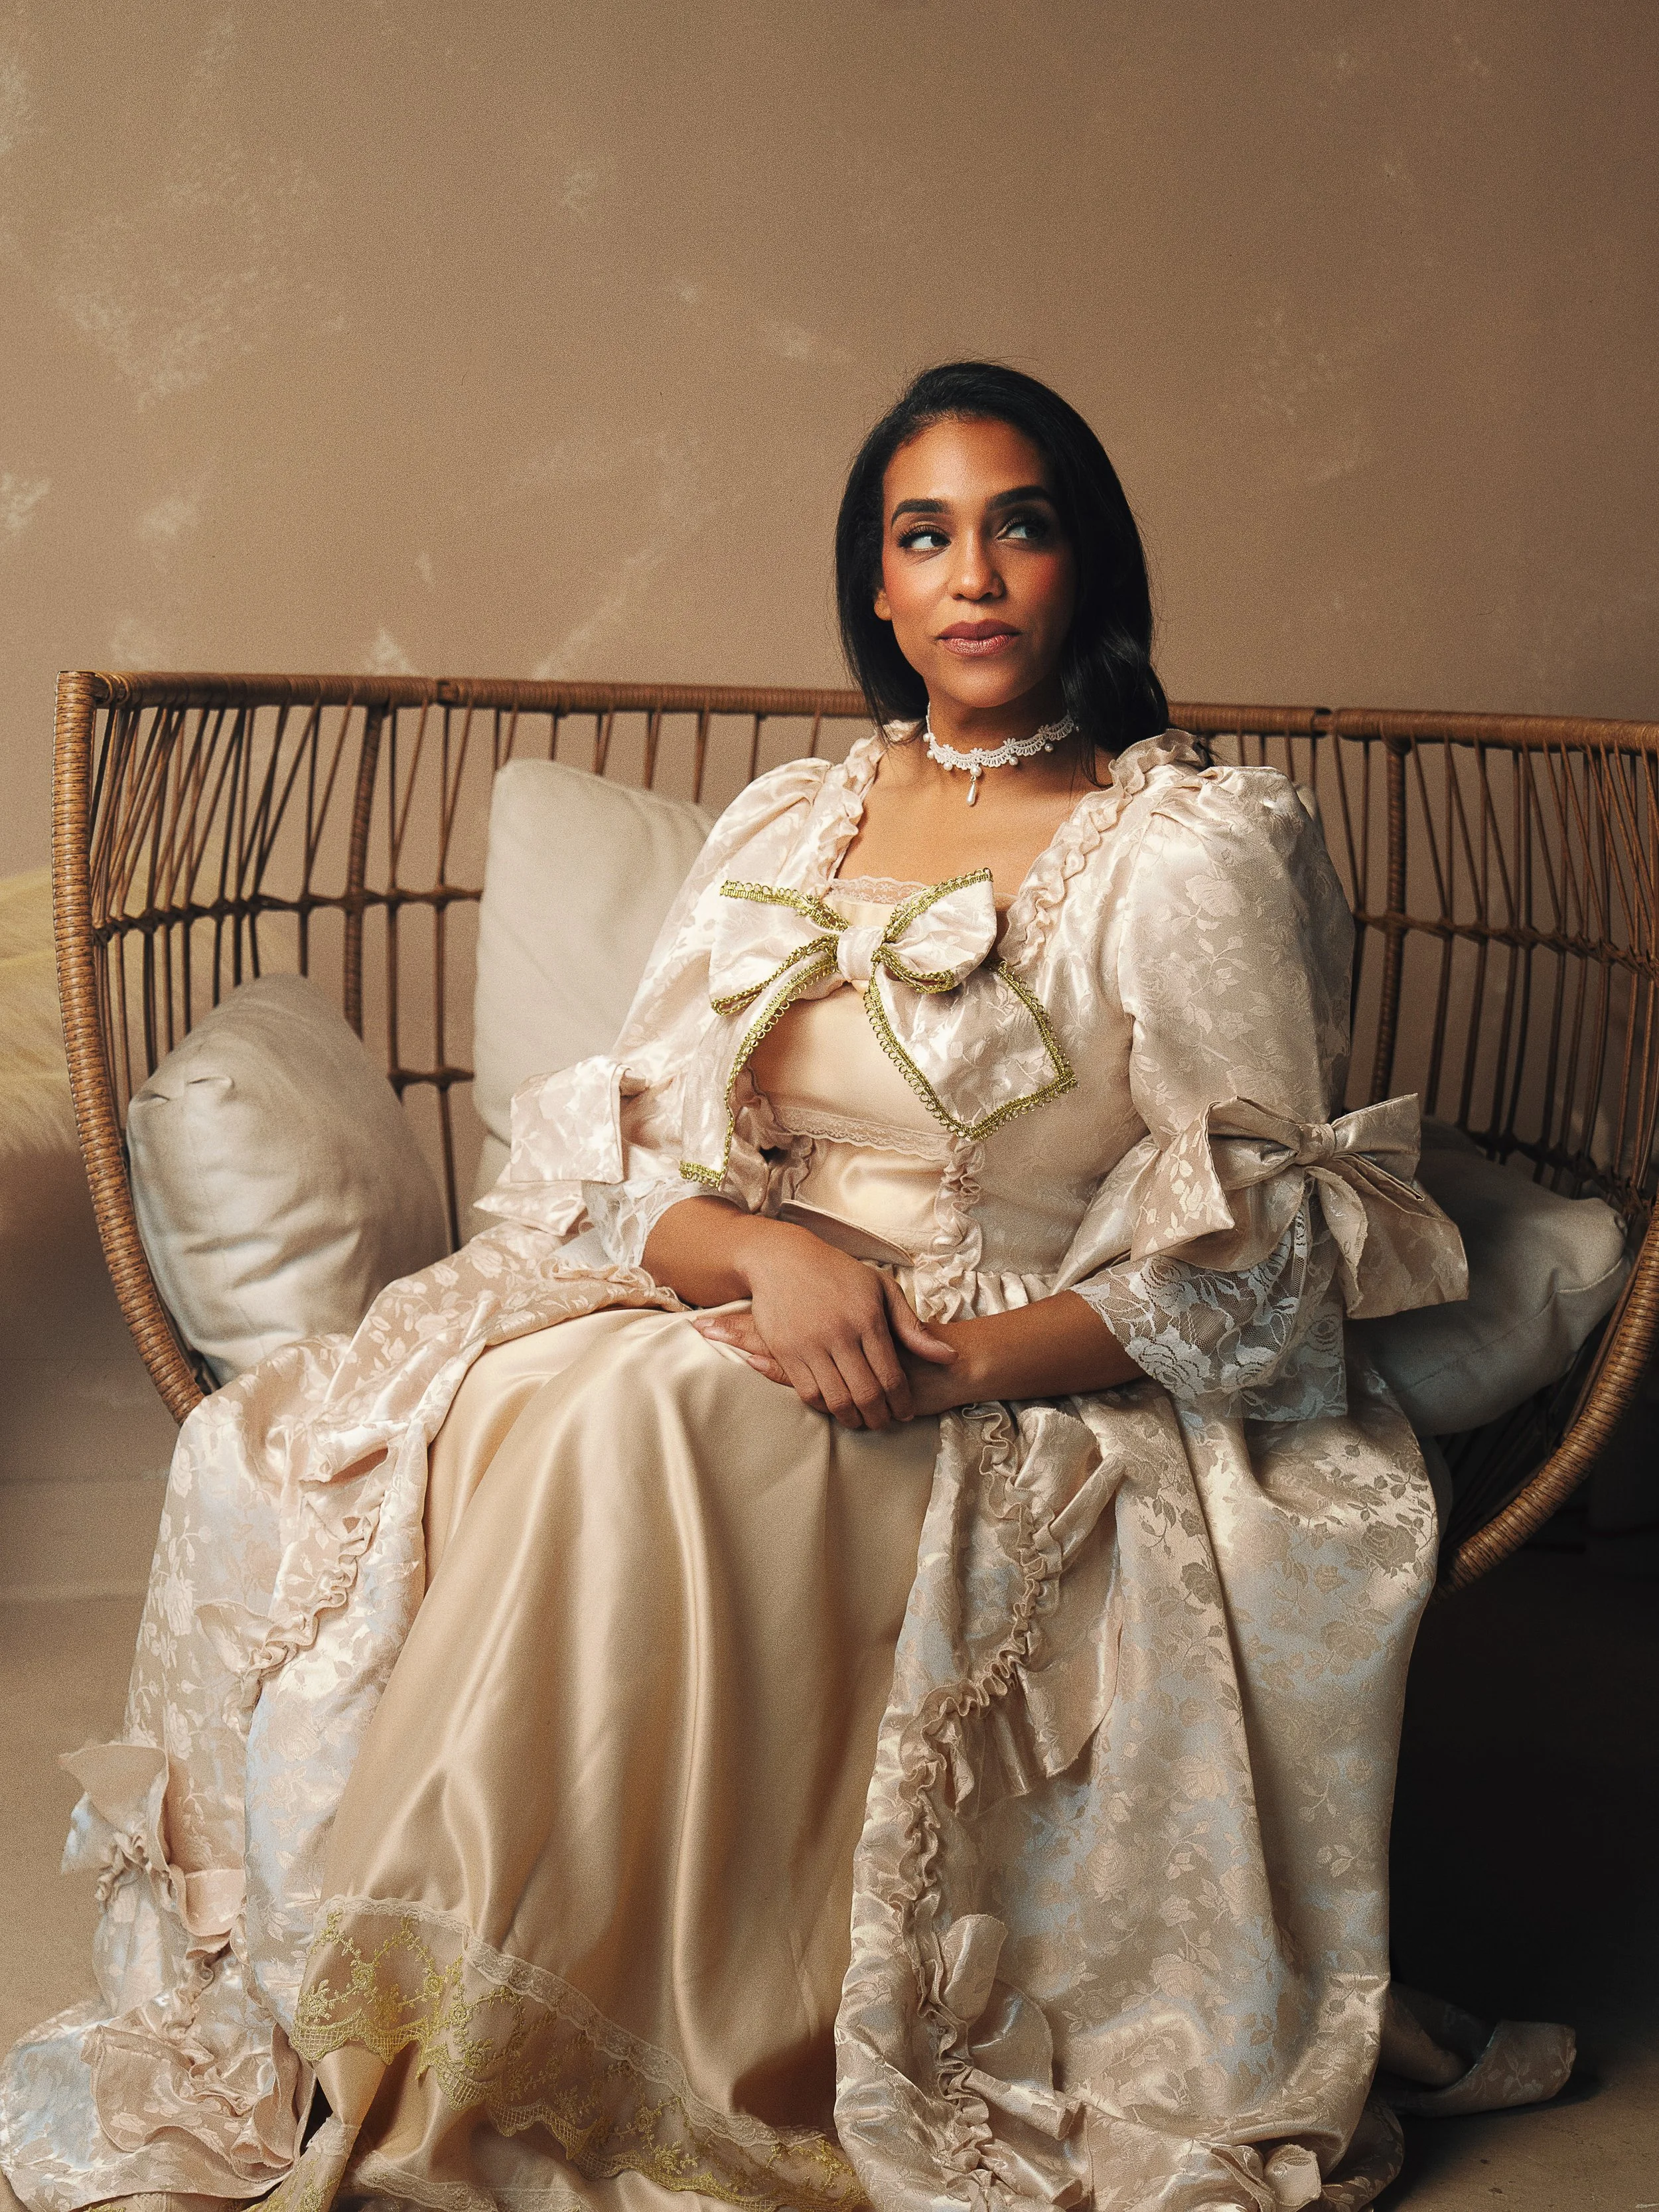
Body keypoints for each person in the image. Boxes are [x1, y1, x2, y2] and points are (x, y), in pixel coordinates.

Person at [0, 364, 1571, 2212]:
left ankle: (501, 2081)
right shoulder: (785, 825)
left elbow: (1257, 1256)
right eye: (925, 536)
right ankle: (394, 2034)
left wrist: (942, 1356)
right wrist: (759, 1252)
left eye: (1018, 523)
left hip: (1001, 1366)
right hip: (744, 1292)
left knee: (637, 1422)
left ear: (1084, 567)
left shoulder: (1190, 851)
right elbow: (625, 1158)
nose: (972, 573)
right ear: (878, 593)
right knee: (476, 1406)